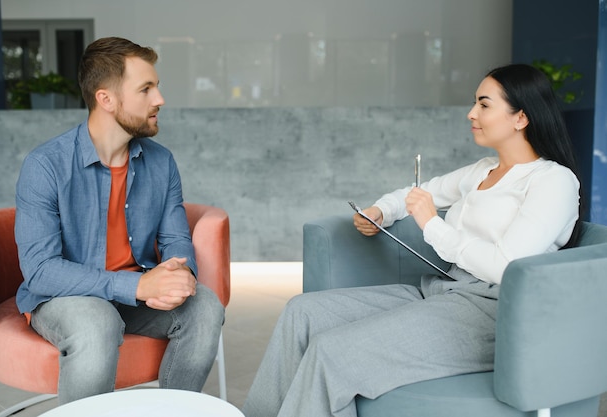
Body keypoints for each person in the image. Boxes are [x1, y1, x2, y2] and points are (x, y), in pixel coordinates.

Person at [242, 63, 581, 417]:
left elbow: (506, 266)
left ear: (520, 118)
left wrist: (432, 224)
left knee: (334, 352)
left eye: (484, 104)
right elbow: (417, 191)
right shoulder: (481, 170)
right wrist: (381, 211)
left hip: (494, 312)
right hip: (442, 290)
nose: (471, 113)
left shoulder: (552, 181)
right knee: (302, 312)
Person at [14, 37, 224, 404]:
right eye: (146, 89)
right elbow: (41, 271)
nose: (159, 99)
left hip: (134, 292)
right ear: (106, 99)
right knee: (97, 321)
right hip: (64, 295)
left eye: (156, 86)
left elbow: (176, 238)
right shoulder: (45, 166)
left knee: (205, 305)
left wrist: (180, 273)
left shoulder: (161, 162)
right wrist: (137, 288)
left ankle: (173, 412)